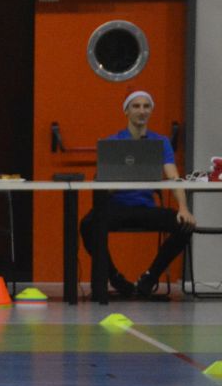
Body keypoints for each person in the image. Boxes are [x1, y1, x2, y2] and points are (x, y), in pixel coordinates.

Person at [80, 90, 195, 299]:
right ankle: (115, 278)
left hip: (145, 207)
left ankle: (149, 278)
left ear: (151, 111)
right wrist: (121, 180)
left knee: (185, 225)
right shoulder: (113, 142)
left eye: (146, 106)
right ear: (126, 111)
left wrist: (184, 208)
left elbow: (173, 177)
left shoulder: (161, 142)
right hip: (117, 207)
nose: (142, 111)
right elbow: (103, 186)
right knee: (88, 225)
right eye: (136, 106)